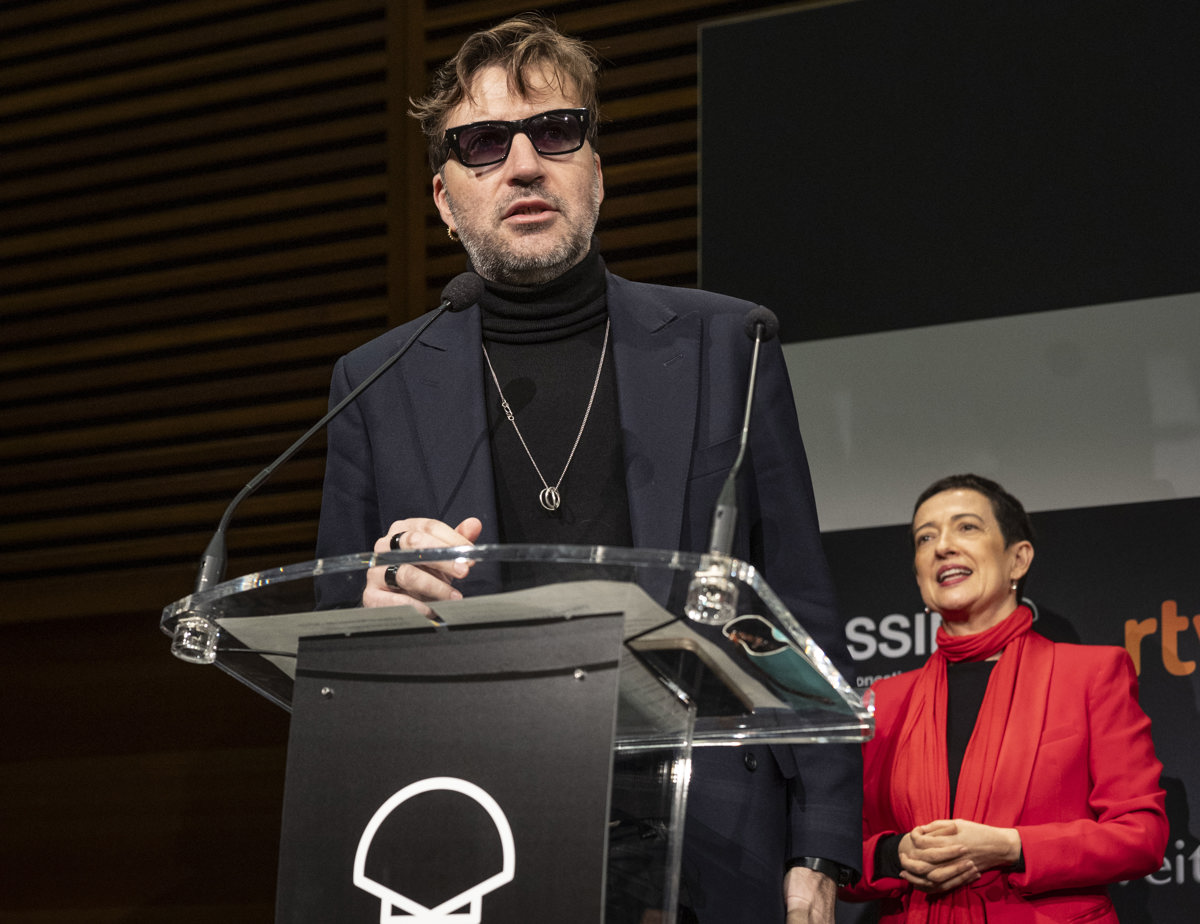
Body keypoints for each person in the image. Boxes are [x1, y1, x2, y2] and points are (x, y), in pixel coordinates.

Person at [314, 13, 861, 924]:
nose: (524, 164)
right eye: (484, 144)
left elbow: (798, 604)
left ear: (596, 173)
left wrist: (823, 836)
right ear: (445, 200)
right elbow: (335, 629)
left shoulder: (731, 343)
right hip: (477, 831)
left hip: (714, 833)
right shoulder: (376, 382)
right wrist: (378, 595)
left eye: (556, 132)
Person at [840, 473, 1168, 922]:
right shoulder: (885, 700)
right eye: (925, 537)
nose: (943, 546)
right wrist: (894, 854)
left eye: (967, 527)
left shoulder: (1090, 673)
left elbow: (1140, 836)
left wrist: (1012, 847)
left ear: (1018, 559)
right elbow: (840, 857)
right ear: (918, 577)